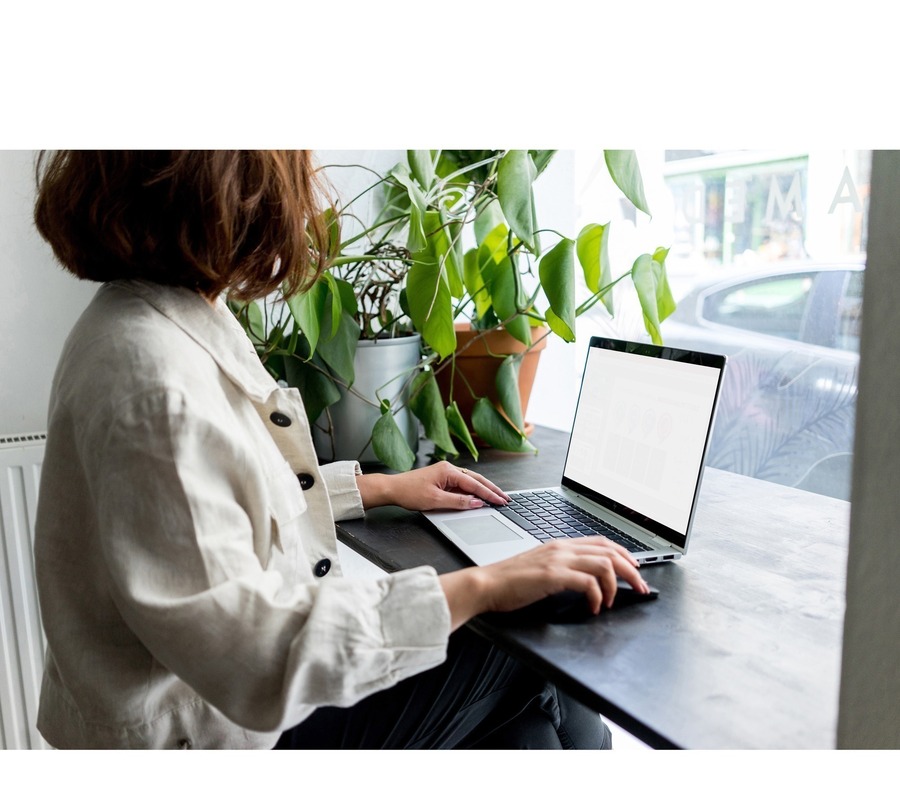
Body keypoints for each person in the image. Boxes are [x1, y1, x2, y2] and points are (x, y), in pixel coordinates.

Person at [32, 150, 650, 750]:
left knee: (524, 728)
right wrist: (485, 586)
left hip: (210, 704)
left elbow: (219, 505)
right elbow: (253, 656)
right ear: (230, 185)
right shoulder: (155, 380)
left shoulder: (152, 323)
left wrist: (378, 488)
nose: (309, 192)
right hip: (217, 730)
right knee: (527, 647)